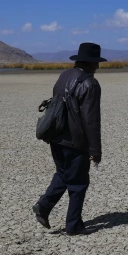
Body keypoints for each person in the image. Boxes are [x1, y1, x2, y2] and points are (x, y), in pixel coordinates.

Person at [33, 42, 106, 235]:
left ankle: (43, 206)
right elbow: (91, 121)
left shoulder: (64, 75)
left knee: (63, 174)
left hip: (56, 136)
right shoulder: (90, 83)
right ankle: (74, 225)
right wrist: (95, 150)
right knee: (78, 183)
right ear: (90, 63)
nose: (98, 67)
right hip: (76, 141)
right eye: (96, 62)